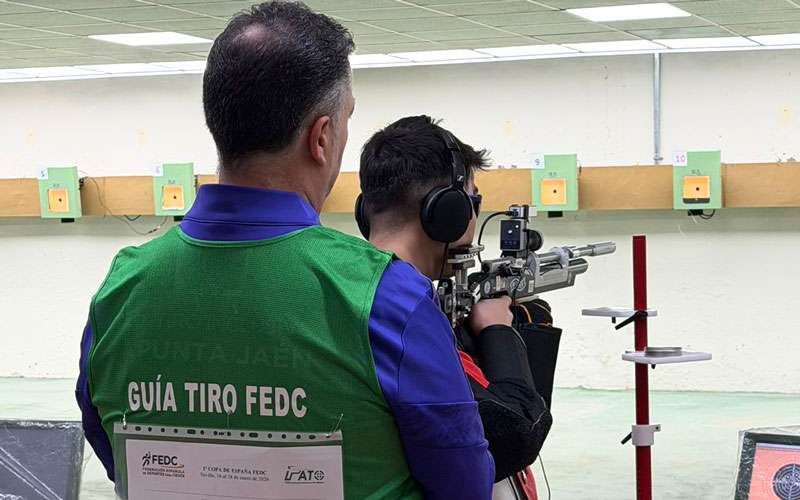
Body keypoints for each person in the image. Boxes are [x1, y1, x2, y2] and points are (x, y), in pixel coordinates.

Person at [75, 3, 494, 499]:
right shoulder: (383, 295)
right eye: (345, 119)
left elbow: (112, 446)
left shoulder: (122, 287)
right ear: (321, 137)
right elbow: (464, 482)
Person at [358, 115, 556, 499]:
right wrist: (498, 331)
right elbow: (513, 433)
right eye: (472, 200)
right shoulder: (406, 307)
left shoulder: (344, 282)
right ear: (445, 209)